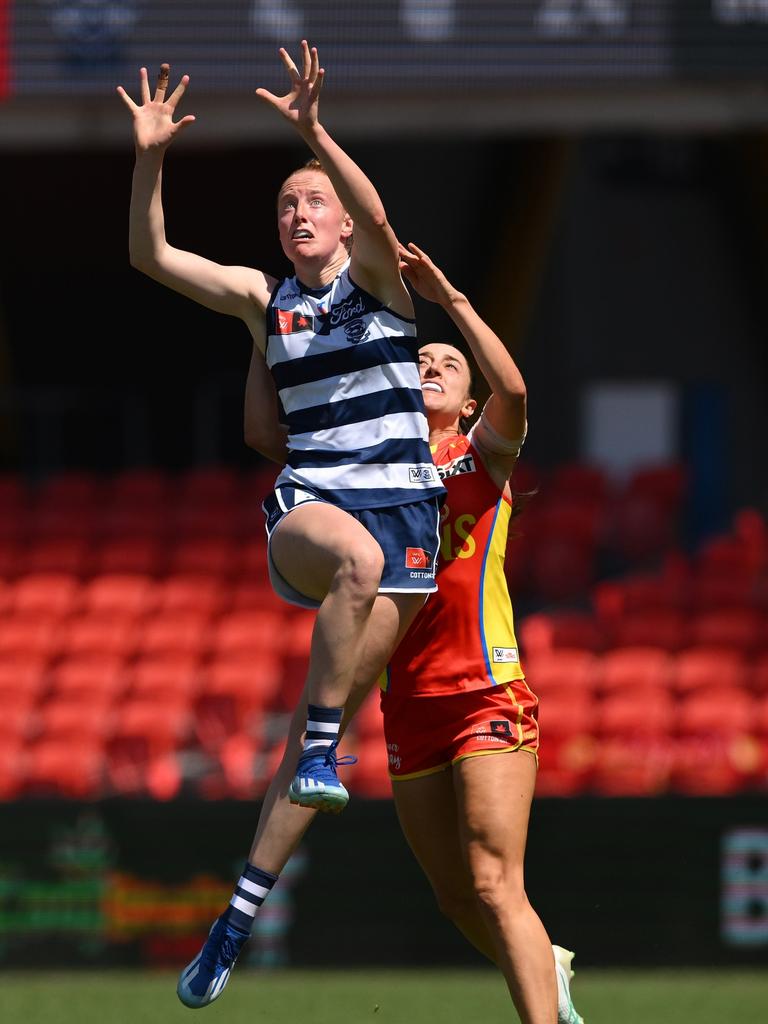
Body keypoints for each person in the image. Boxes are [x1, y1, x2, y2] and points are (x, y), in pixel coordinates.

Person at [117, 41, 444, 1008]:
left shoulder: (383, 284)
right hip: (317, 510)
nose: (297, 215)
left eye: (311, 202)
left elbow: (382, 215)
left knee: (316, 756)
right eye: (284, 207)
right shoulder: (270, 303)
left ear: (342, 221)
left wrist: (313, 133)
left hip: (409, 525)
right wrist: (148, 157)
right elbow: (151, 256)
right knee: (345, 564)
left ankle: (235, 921)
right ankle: (315, 745)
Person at [239, 244, 585, 1024]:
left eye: (446, 365)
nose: (429, 362)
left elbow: (518, 390)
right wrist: (261, 332)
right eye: (420, 356)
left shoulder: (477, 457)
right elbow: (267, 434)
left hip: (486, 690)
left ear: (466, 403)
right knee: (455, 895)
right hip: (409, 705)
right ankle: (543, 959)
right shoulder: (365, 464)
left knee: (497, 882)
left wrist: (450, 300)